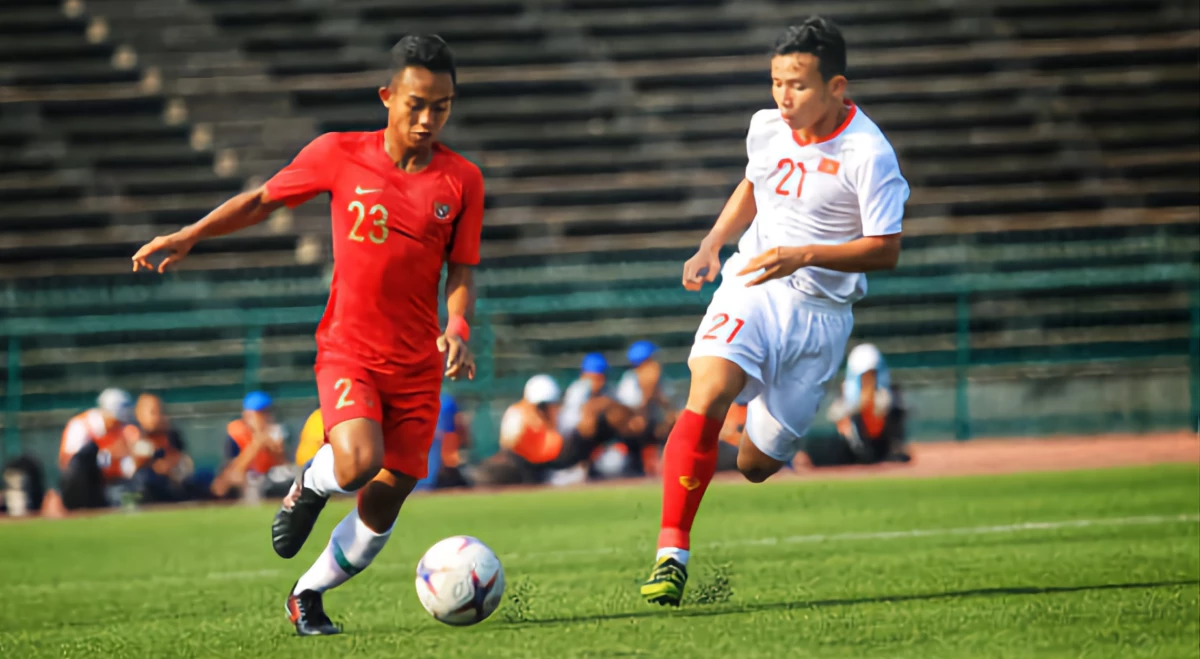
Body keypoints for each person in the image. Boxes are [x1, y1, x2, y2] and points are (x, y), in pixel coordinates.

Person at [131, 35, 482, 636]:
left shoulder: (463, 181)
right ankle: (308, 485)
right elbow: (262, 200)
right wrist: (191, 234)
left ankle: (307, 594)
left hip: (418, 362)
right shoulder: (339, 154)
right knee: (356, 462)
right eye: (416, 104)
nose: (428, 119)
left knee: (383, 500)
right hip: (350, 349)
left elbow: (463, 268)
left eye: (442, 106)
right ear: (387, 97)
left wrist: (457, 326)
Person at [641, 17, 908, 606]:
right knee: (705, 389)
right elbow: (754, 185)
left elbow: (886, 248)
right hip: (753, 282)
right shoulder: (767, 127)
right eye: (776, 83)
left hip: (820, 316)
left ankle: (746, 407)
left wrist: (807, 255)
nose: (783, 99)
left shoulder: (869, 152)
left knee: (757, 463)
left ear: (836, 87)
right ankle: (671, 553)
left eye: (799, 85)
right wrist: (713, 243)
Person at [806, 343, 909, 466]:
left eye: (872, 374)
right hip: (853, 445)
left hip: (879, 442)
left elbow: (887, 411)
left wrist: (871, 400)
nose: (869, 379)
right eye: (865, 375)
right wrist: (857, 404)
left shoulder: (886, 395)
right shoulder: (847, 394)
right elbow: (834, 415)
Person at [472, 375, 566, 486]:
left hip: (548, 468)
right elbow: (508, 445)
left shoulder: (556, 421)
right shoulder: (517, 415)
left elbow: (557, 451)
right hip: (521, 466)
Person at [58, 388, 138, 510]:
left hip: (110, 483)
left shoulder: (123, 430)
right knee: (88, 452)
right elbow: (72, 463)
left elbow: (126, 466)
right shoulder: (81, 426)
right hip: (82, 486)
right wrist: (109, 455)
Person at [210, 391, 291, 499]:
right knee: (227, 482)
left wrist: (269, 444)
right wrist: (256, 444)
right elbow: (234, 470)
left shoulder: (276, 431)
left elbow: (284, 465)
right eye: (258, 413)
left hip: (270, 480)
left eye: (265, 412)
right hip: (246, 480)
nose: (262, 417)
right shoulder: (236, 432)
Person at [128, 393, 197, 503]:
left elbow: (184, 462)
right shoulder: (131, 433)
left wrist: (168, 467)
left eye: (160, 412)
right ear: (139, 413)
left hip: (168, 483)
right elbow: (128, 467)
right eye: (152, 412)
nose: (157, 417)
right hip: (139, 486)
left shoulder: (171, 435)